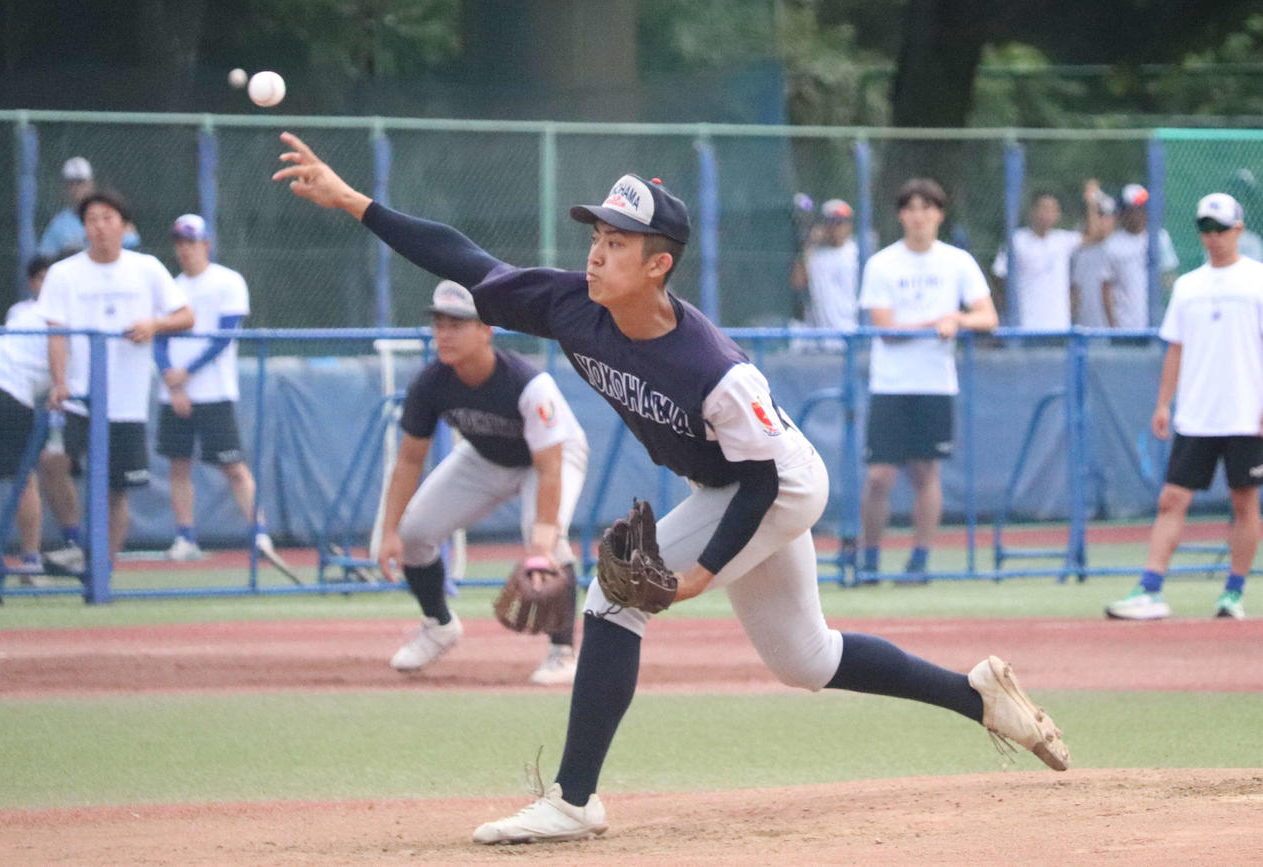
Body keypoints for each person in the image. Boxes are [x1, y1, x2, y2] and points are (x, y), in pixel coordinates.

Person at [272, 132, 1068, 846]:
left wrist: (699, 574)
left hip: (777, 484)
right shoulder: (571, 307)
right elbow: (465, 259)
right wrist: (353, 202)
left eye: (617, 242)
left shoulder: (713, 366)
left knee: (613, 597)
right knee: (807, 658)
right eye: (596, 235)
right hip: (729, 484)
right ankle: (977, 694)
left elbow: (761, 479)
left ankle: (574, 798)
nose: (596, 253)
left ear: (659, 264)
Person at [376, 279, 589, 686]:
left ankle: (563, 652)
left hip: (554, 455)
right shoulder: (430, 384)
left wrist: (542, 543)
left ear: (486, 329)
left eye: (457, 323)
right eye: (439, 323)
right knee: (415, 533)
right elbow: (408, 461)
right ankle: (439, 624)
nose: (445, 333)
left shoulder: (528, 385)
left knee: (546, 539)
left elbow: (549, 467)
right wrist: (389, 531)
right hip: (487, 457)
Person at [1105, 193, 1263, 622]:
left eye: (1220, 229)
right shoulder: (1189, 286)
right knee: (1172, 499)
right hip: (1197, 415)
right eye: (1205, 229)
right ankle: (1150, 589)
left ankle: (1233, 593)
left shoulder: (1257, 280)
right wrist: (1163, 403)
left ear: (1238, 230)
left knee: (1244, 501)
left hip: (1247, 414)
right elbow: (1176, 348)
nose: (1212, 237)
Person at [37, 190, 194, 571]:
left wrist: (153, 324)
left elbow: (185, 316)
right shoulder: (63, 273)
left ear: (125, 226)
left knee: (115, 492)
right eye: (92, 219)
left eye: (108, 218)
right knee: (52, 462)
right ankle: (74, 539)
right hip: (78, 398)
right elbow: (55, 333)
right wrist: (59, 381)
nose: (100, 227)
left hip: (126, 403)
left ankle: (101, 571)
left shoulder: (148, 268)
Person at [857, 179, 999, 582]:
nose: (919, 216)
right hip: (890, 384)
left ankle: (919, 560)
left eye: (927, 207)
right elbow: (886, 328)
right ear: (901, 215)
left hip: (935, 383)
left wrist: (956, 319)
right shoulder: (882, 264)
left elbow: (987, 317)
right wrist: (934, 322)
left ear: (940, 213)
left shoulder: (958, 262)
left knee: (926, 474)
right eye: (911, 208)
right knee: (879, 476)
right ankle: (869, 558)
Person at [151, 214, 277, 565]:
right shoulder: (171, 287)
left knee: (233, 467)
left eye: (191, 242)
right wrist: (171, 381)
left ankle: (260, 535)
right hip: (175, 393)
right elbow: (159, 339)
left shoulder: (228, 281)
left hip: (215, 391)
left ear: (205, 244)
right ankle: (185, 537)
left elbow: (224, 336)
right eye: (179, 243)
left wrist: (186, 373)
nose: (185, 250)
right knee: (178, 466)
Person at [0, 255, 59, 583]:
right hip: (2, 391)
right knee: (22, 480)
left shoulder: (31, 312)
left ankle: (30, 560)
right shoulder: (41, 313)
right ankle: (31, 561)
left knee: (20, 480)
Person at [992, 191, 1081, 330]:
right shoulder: (1017, 240)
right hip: (1026, 325)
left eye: (1052, 210)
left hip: (1059, 326)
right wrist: (1009, 305)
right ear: (1033, 211)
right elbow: (999, 274)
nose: (1047, 214)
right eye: (1043, 209)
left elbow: (1095, 235)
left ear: (1058, 215)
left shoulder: (1063, 240)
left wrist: (1091, 201)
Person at [1100, 183, 1179, 329]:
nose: (1137, 214)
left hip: (1156, 324)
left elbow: (1169, 278)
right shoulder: (1112, 245)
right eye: (1132, 210)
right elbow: (1106, 288)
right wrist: (1113, 325)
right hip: (1125, 326)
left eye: (1141, 209)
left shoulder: (1160, 238)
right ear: (1123, 212)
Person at [38, 157, 140, 258]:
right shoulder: (59, 224)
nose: (76, 188)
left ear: (91, 184)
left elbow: (131, 245)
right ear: (64, 188)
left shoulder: (109, 215)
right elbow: (45, 258)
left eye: (81, 182)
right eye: (71, 184)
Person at [789, 199, 859, 337]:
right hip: (820, 335)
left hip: (851, 331)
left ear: (849, 225)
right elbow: (797, 282)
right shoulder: (815, 255)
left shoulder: (857, 254)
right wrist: (809, 244)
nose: (835, 227)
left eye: (840, 222)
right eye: (831, 222)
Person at [1071, 182, 1118, 327]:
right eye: (1098, 214)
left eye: (1105, 215)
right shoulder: (1076, 248)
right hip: (1081, 329)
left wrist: (1092, 201)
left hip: (1114, 330)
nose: (1101, 220)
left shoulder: (1117, 247)